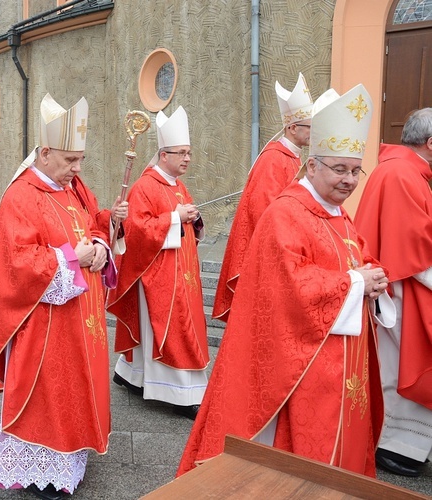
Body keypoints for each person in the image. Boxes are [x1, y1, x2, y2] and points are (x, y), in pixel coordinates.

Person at [179, 84, 396, 477]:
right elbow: (290, 289)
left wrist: (374, 280)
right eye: (339, 169)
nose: (349, 181)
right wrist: (355, 283)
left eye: (355, 170)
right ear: (312, 166)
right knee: (297, 465)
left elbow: (356, 257)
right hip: (302, 367)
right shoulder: (287, 214)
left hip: (343, 367)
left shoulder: (338, 213)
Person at [0, 93, 117, 500]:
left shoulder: (72, 187)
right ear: (44, 153)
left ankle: (70, 456)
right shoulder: (21, 196)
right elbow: (17, 263)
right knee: (48, 393)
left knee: (76, 389)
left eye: (80, 159)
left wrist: (100, 244)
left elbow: (92, 222)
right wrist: (70, 258)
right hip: (42, 325)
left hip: (81, 317)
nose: (77, 169)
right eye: (69, 160)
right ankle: (38, 469)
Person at [107, 105, 209, 420]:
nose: (188, 158)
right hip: (155, 274)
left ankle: (131, 374)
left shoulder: (178, 186)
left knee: (182, 325)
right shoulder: (145, 186)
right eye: (181, 153)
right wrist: (174, 219)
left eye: (189, 152)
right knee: (171, 329)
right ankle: (180, 392)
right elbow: (136, 233)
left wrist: (193, 218)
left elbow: (181, 220)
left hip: (182, 273)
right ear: (164, 155)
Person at [354, 107, 432, 477]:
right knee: (406, 364)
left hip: (397, 284)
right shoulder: (403, 174)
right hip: (404, 289)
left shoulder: (399, 168)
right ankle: (398, 447)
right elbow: (413, 245)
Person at [213, 73, 313, 322]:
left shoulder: (293, 157)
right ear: (292, 127)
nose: (316, 132)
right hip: (269, 250)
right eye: (311, 126)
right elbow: (263, 210)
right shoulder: (273, 159)